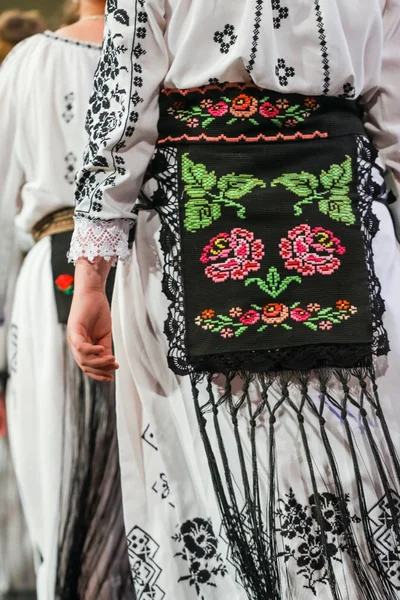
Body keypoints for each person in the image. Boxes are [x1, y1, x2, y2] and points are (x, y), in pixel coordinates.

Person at [68, 1, 400, 598]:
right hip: (335, 221)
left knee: (225, 506)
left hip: (197, 227)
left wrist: (91, 277)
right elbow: (396, 111)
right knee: (357, 487)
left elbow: (125, 102)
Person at [0, 1, 134, 598]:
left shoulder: (28, 62)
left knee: (57, 477)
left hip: (51, 263)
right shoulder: (165, 51)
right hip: (143, 267)